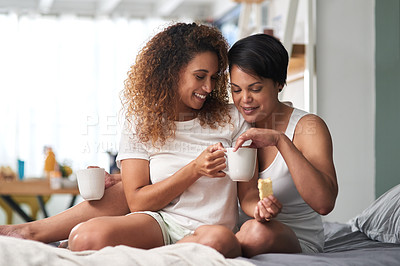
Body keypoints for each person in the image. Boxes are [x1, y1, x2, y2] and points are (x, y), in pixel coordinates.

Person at [0, 22, 255, 258]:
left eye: (214, 77)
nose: (209, 87)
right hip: (160, 223)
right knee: (85, 237)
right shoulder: (142, 122)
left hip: (211, 229)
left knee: (219, 240)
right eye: (200, 76)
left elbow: (247, 187)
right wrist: (194, 169)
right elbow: (137, 201)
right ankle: (33, 233)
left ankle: (161, 257)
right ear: (172, 72)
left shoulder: (231, 119)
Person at [229, 34, 338, 257]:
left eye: (255, 89)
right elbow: (248, 195)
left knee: (254, 233)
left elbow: (324, 203)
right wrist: (258, 209)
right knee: (248, 230)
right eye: (236, 90)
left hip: (296, 238)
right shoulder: (239, 126)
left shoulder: (308, 127)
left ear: (279, 83)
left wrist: (280, 141)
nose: (244, 99)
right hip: (247, 229)